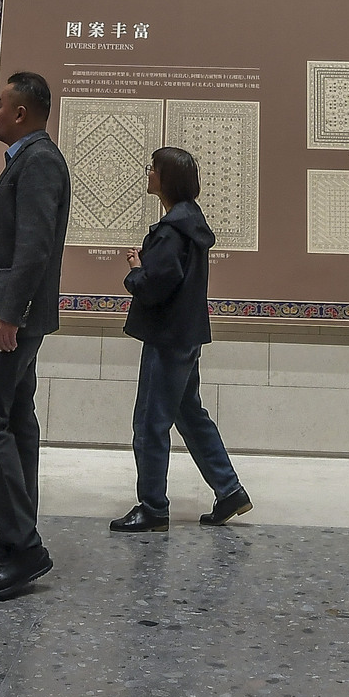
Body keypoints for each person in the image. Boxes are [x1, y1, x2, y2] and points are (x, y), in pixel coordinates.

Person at [0, 71, 69, 602]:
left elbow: (34, 247)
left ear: (21, 113)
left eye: (0, 106)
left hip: (9, 319)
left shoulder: (40, 162)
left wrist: (10, 313)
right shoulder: (28, 160)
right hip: (11, 314)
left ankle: (24, 546)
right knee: (15, 420)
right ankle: (13, 533)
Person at [110, 147, 252, 533]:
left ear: (167, 178)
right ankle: (230, 490)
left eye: (153, 169)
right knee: (189, 415)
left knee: (149, 423)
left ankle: (153, 507)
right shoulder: (191, 223)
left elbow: (157, 286)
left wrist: (135, 271)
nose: (148, 174)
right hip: (186, 335)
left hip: (166, 337)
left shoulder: (171, 230)